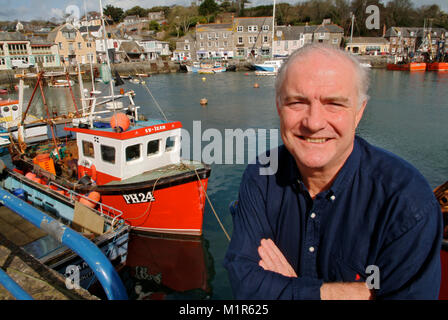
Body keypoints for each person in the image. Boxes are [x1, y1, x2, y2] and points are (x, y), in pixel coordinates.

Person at [223, 44, 443, 300]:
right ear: (279, 107)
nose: (314, 122)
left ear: (359, 112)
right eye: (297, 102)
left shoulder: (406, 203)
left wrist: (286, 289)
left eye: (334, 104)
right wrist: (349, 293)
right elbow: (245, 286)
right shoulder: (262, 175)